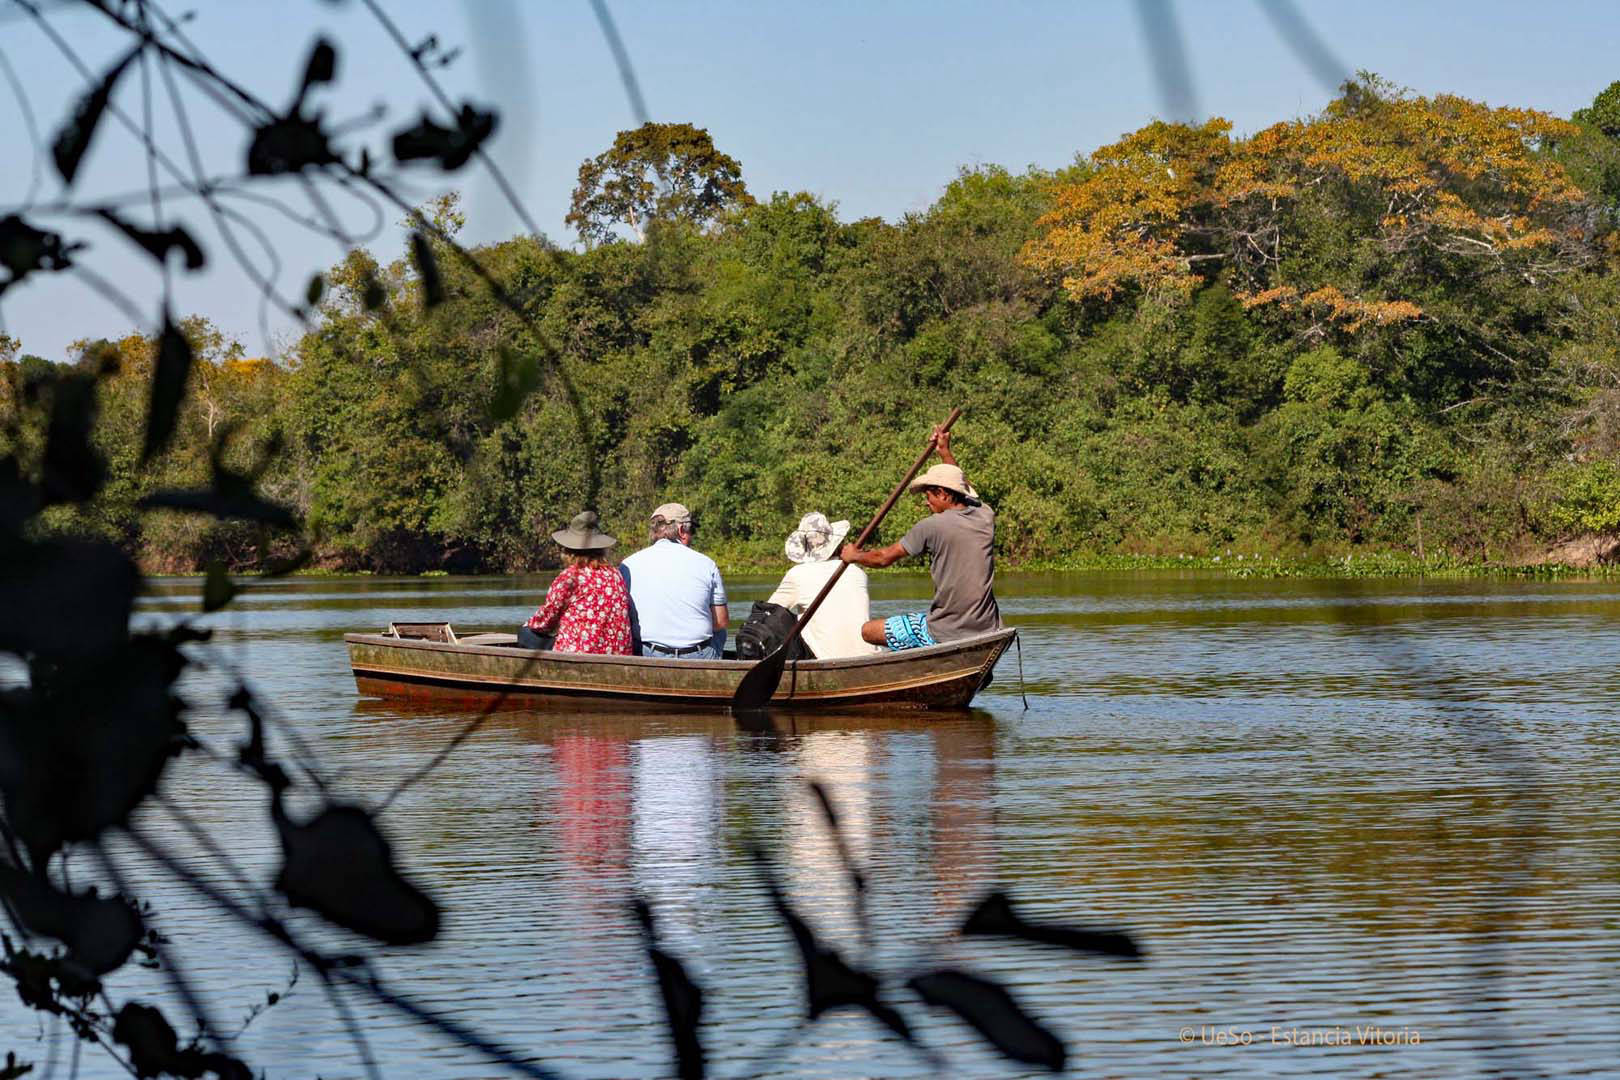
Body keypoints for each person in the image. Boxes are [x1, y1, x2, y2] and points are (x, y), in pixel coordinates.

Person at [840, 426, 1000, 650]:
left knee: (868, 631)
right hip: (988, 627)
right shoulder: (985, 514)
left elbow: (884, 558)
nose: (926, 503)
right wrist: (944, 451)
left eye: (929, 496)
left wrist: (854, 555)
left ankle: (921, 662)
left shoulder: (931, 526)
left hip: (944, 631)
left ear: (943, 494)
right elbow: (961, 485)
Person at [765, 512, 883, 660]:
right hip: (870, 657)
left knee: (782, 620)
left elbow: (768, 614)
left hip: (827, 660)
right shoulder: (856, 571)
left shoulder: (797, 574)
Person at [619, 502, 729, 659]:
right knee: (721, 632)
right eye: (692, 530)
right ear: (681, 530)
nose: (692, 536)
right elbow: (721, 621)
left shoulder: (628, 564)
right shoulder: (707, 563)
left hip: (647, 653)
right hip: (698, 655)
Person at [518, 511, 632, 654]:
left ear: (569, 550)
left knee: (525, 634)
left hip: (580, 654)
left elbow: (544, 622)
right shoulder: (616, 574)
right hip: (618, 654)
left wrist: (528, 626)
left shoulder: (570, 577)